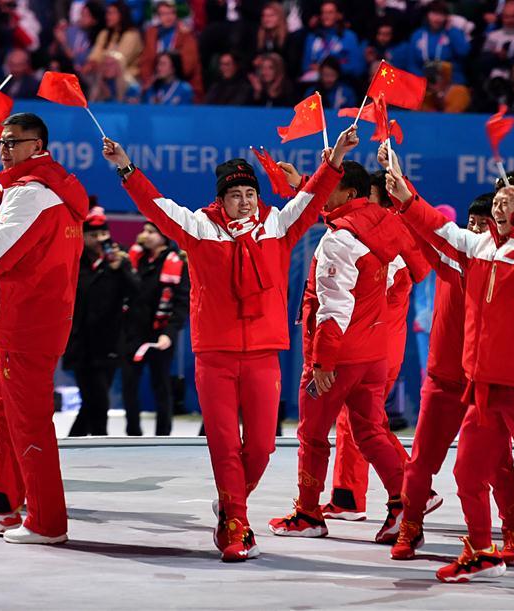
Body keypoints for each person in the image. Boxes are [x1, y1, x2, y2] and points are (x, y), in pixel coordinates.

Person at [101, 126, 357, 562]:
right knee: (222, 443)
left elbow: (313, 198)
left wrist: (334, 160)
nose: (244, 199)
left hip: (262, 354)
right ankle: (235, 525)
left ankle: (231, 501)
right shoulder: (200, 227)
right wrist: (125, 167)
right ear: (221, 198)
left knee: (261, 446)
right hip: (214, 356)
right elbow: (157, 206)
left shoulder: (277, 225)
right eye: (235, 193)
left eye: (249, 192)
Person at [391, 167, 514, 594]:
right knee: (467, 472)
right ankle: (481, 551)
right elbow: (439, 228)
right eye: (499, 199)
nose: (500, 204)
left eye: (510, 198)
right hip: (484, 386)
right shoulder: (481, 246)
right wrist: (406, 198)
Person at [267, 160, 411, 544]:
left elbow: (333, 306)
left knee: (312, 435)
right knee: (372, 432)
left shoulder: (339, 239)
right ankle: (406, 504)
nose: (321, 194)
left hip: (338, 357)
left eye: (329, 187)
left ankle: (309, 513)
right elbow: (404, 275)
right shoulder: (384, 224)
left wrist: (322, 361)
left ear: (348, 194)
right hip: (374, 353)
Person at [0, 112, 88, 544]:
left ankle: (47, 522)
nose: (4, 149)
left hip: (27, 326)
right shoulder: (48, 191)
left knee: (30, 423)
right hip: (23, 323)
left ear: (38, 146)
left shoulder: (32, 195)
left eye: (13, 142)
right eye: (0, 142)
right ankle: (2, 505)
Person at [62, 206, 140, 437]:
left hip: (109, 344)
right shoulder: (75, 262)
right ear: (83, 237)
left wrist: (122, 269)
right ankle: (96, 442)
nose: (99, 240)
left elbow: (137, 294)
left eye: (102, 235)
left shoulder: (119, 261)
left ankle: (78, 443)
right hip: (80, 344)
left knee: (95, 401)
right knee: (95, 400)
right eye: (93, 235)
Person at [122, 222, 190, 436]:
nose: (144, 235)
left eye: (151, 232)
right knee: (128, 384)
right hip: (133, 332)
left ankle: (163, 434)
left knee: (161, 385)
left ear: (163, 236)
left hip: (160, 334)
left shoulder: (178, 262)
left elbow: (181, 303)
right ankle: (132, 433)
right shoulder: (133, 259)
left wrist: (169, 334)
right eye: (143, 230)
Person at [139, 0, 203, 98]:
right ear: (158, 16)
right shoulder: (151, 33)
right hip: (155, 82)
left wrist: (165, 73)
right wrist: (148, 80)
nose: (168, 17)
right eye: (163, 14)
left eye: (171, 13)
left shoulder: (185, 34)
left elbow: (187, 66)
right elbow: (146, 61)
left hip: (179, 81)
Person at [406, 1, 470, 84]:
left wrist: (450, 31)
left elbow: (464, 52)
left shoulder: (453, 32)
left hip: (451, 80)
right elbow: (412, 64)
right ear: (427, 15)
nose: (437, 18)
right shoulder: (418, 35)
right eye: (434, 13)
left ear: (447, 17)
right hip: (424, 80)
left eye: (441, 14)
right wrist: (423, 81)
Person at [300, 0, 365, 82]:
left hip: (342, 82)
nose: (326, 16)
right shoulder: (312, 37)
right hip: (316, 83)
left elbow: (358, 68)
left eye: (330, 12)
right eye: (323, 13)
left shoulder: (349, 36)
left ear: (339, 15)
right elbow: (305, 66)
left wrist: (329, 69)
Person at [86, 0, 143, 78]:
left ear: (122, 15)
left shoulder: (131, 35)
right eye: (107, 13)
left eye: (111, 13)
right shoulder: (105, 33)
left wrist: (99, 65)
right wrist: (91, 64)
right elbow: (95, 55)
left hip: (127, 78)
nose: (107, 17)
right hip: (104, 75)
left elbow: (120, 61)